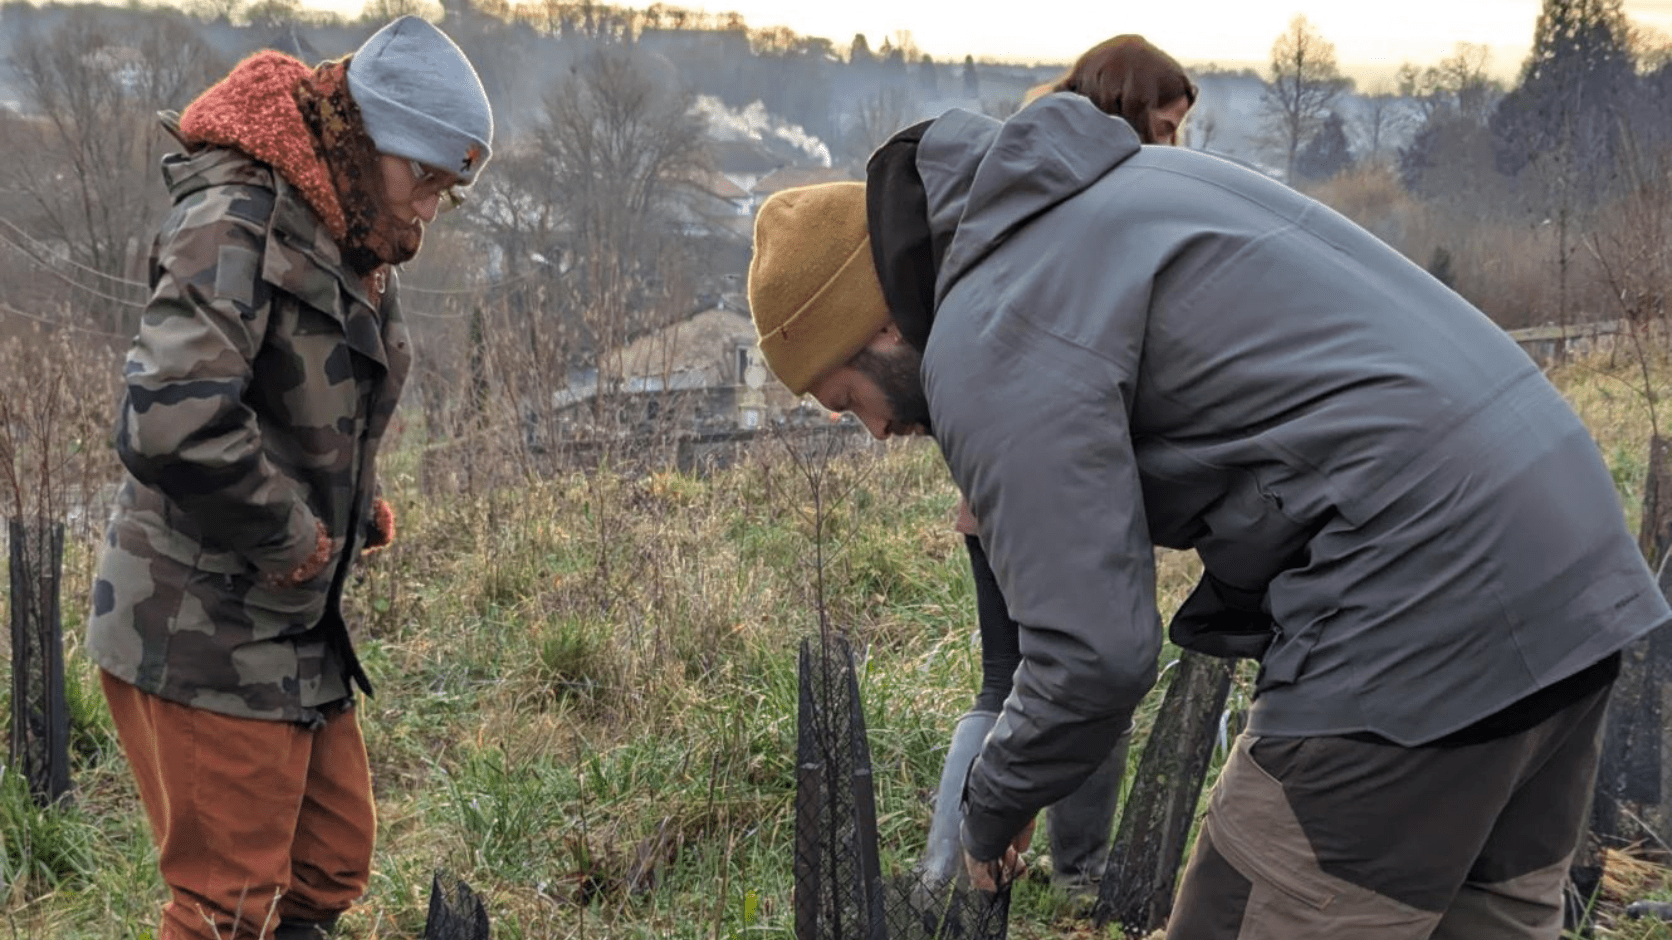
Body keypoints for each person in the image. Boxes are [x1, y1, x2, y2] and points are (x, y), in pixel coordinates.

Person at [745, 90, 1669, 938]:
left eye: (844, 398)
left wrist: (991, 809)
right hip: (1570, 565)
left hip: (1420, 602)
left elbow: (1095, 658)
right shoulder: (1111, 196)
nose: (866, 431)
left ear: (879, 330)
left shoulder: (991, 327)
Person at [87, 16, 491, 940]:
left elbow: (306, 398)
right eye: (424, 177)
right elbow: (173, 417)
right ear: (365, 138)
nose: (430, 207)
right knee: (226, 905)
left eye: (448, 190)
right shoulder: (235, 216)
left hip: (291, 624)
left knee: (329, 864)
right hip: (199, 622)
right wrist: (295, 536)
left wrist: (353, 509)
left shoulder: (346, 222)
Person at [918, 33, 1199, 907]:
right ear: (1124, 106)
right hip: (1036, 480)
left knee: (1049, 675)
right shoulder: (1081, 187)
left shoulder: (1030, 166)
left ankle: (993, 878)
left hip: (1047, 474)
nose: (1175, 145)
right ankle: (980, 876)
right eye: (1165, 123)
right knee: (1042, 677)